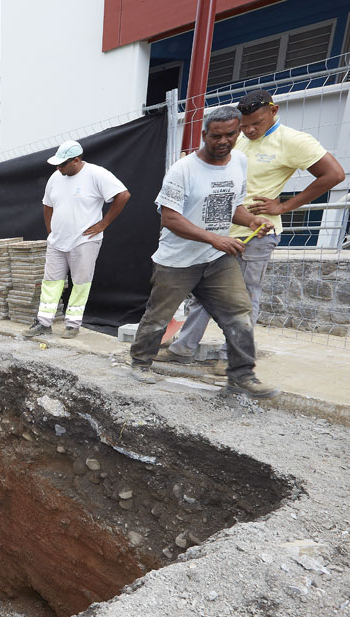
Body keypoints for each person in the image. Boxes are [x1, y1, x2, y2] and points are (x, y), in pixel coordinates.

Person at [167, 89, 345, 361]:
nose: (249, 130)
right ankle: (181, 349)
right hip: (218, 232)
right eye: (244, 125)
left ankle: (234, 357)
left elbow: (334, 174)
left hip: (255, 234)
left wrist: (284, 206)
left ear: (274, 111)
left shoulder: (294, 141)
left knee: (244, 297)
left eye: (256, 124)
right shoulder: (236, 138)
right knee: (203, 291)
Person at [129, 105, 279, 399]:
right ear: (204, 134)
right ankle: (140, 362)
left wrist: (251, 220)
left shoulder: (239, 161)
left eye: (230, 134)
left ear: (237, 133)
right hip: (177, 260)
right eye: (216, 135)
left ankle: (241, 375)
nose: (223, 141)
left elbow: (231, 206)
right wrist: (214, 239)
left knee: (239, 313)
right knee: (159, 315)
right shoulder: (183, 170)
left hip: (216, 260)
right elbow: (170, 219)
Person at [23, 140, 130, 339]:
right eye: (57, 164)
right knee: (51, 282)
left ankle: (73, 324)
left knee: (81, 282)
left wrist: (103, 224)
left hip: (84, 240)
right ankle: (44, 322)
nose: (58, 167)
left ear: (76, 160)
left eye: (63, 164)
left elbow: (123, 195)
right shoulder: (55, 177)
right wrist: (51, 230)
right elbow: (47, 205)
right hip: (57, 241)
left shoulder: (96, 174)